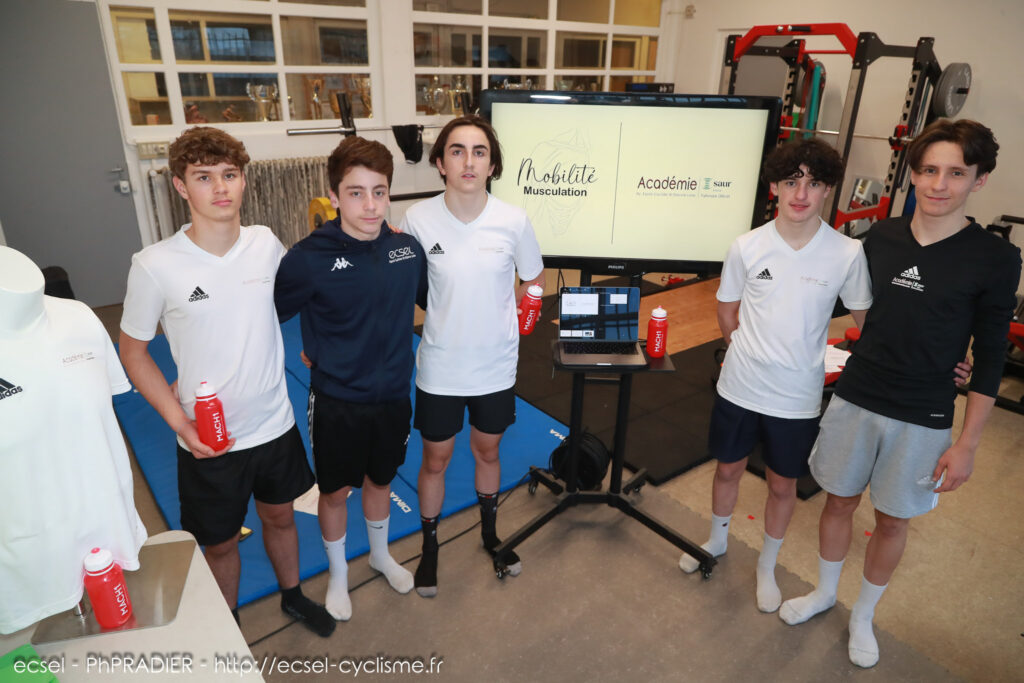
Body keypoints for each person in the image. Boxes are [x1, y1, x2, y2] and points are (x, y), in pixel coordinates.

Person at [779, 119, 1022, 668]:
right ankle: (824, 592)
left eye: (956, 173)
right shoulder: (879, 238)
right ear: (912, 173)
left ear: (979, 179)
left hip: (923, 411)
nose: (939, 184)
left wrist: (968, 444)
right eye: (929, 170)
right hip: (857, 395)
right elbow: (833, 301)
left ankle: (863, 615)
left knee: (892, 519)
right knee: (838, 501)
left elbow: (990, 355)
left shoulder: (995, 258)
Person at [119, 126, 334, 636]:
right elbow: (132, 353)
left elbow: (304, 297)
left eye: (229, 174)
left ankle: (293, 596)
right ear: (180, 186)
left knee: (281, 518)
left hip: (274, 424)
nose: (220, 188)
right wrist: (180, 423)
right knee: (219, 543)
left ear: (243, 180)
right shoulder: (154, 266)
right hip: (208, 439)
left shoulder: (265, 244)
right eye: (203, 177)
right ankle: (229, 627)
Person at [678, 139, 872, 616]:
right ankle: (717, 540)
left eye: (813, 183)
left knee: (784, 486)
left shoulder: (847, 253)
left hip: (797, 395)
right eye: (791, 181)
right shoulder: (747, 246)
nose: (800, 194)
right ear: (775, 187)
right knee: (727, 469)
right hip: (740, 386)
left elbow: (868, 325)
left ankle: (767, 564)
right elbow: (727, 312)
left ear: (827, 190)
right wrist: (746, 351)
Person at [274, 136, 428, 621]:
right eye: (356, 193)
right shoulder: (307, 258)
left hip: (393, 395)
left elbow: (435, 302)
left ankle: (380, 555)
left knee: (381, 481)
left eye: (379, 192)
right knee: (336, 491)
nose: (370, 205)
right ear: (334, 196)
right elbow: (266, 318)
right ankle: (339, 573)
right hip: (337, 399)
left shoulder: (406, 250)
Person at [398, 114, 545, 597]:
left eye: (479, 152)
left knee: (488, 450)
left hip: (494, 367)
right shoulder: (417, 220)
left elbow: (534, 278)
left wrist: (521, 312)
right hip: (441, 366)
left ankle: (490, 534)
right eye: (457, 151)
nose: (468, 161)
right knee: (435, 459)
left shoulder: (513, 220)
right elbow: (407, 286)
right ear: (440, 163)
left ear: (492, 164)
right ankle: (430, 548)